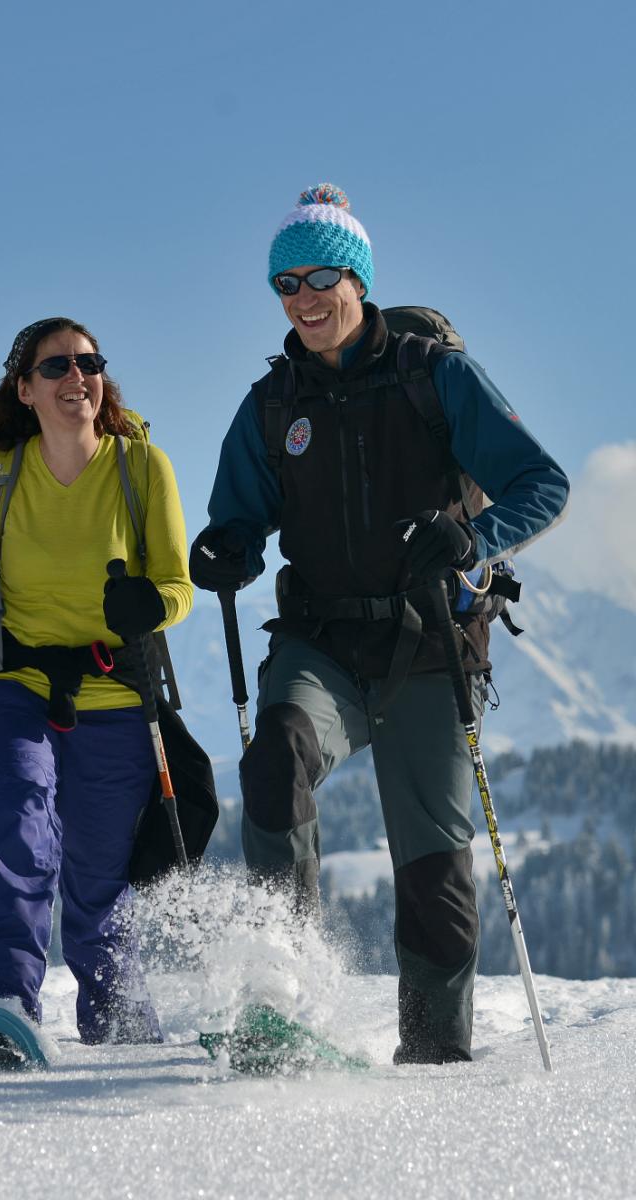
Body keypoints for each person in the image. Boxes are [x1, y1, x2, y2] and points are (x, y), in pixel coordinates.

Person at [189, 186, 569, 1064]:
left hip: (431, 643)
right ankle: (284, 999)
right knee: (276, 753)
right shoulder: (272, 406)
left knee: (434, 873)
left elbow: (540, 484)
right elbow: (236, 524)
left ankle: (435, 1061)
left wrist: (473, 536)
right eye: (286, 281)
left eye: (321, 274)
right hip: (320, 644)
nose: (304, 296)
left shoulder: (432, 375)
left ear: (358, 277)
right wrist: (225, 553)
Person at [0, 317, 193, 1043]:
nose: (77, 376)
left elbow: (177, 584)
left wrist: (152, 605)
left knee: (99, 879)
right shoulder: (0, 474)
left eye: (89, 362)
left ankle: (121, 1022)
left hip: (117, 693)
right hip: (16, 682)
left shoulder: (142, 468)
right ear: (25, 389)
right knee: (22, 825)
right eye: (57, 366)